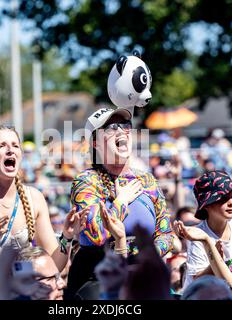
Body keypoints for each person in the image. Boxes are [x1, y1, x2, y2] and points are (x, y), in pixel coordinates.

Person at [67, 108, 175, 297]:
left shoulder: (147, 180)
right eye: (111, 127)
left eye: (125, 126)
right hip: (97, 278)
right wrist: (120, 202)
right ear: (95, 142)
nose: (121, 131)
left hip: (140, 276)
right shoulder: (86, 181)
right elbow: (95, 235)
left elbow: (166, 233)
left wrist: (144, 256)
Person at [0, 126, 88, 272]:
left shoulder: (34, 198)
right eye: (1, 145)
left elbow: (54, 266)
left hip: (24, 290)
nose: (10, 150)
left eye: (15, 145)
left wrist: (67, 236)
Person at [183, 170, 232, 290]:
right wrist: (216, 260)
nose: (231, 203)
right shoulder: (198, 235)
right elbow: (197, 282)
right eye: (223, 198)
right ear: (207, 205)